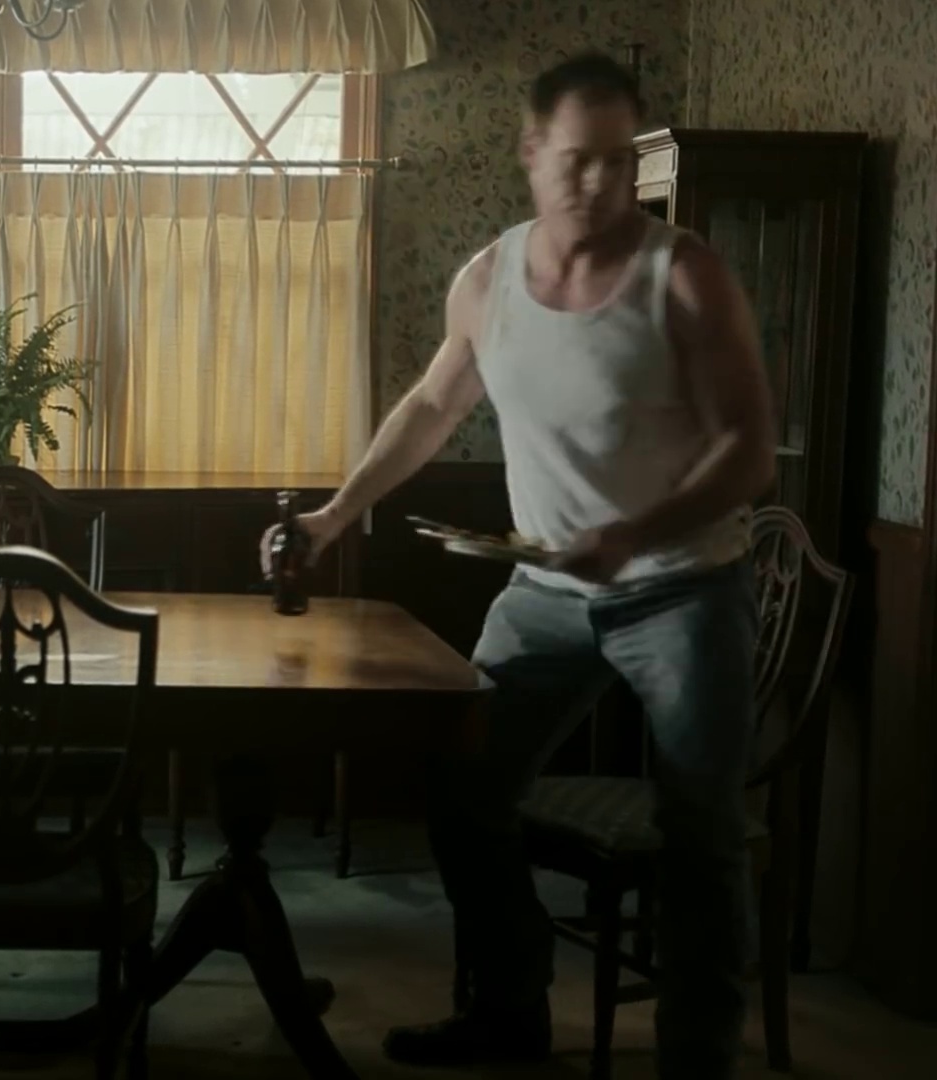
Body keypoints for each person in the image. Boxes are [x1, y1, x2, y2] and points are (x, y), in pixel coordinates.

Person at [263, 53, 775, 1077]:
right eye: (579, 160)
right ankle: (508, 1010)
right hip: (547, 591)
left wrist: (633, 532)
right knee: (463, 792)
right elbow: (431, 406)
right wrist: (332, 515)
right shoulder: (489, 281)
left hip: (682, 592)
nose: (601, 183)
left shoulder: (685, 276)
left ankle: (699, 1061)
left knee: (701, 834)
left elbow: (749, 452)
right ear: (532, 151)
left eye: (620, 161)